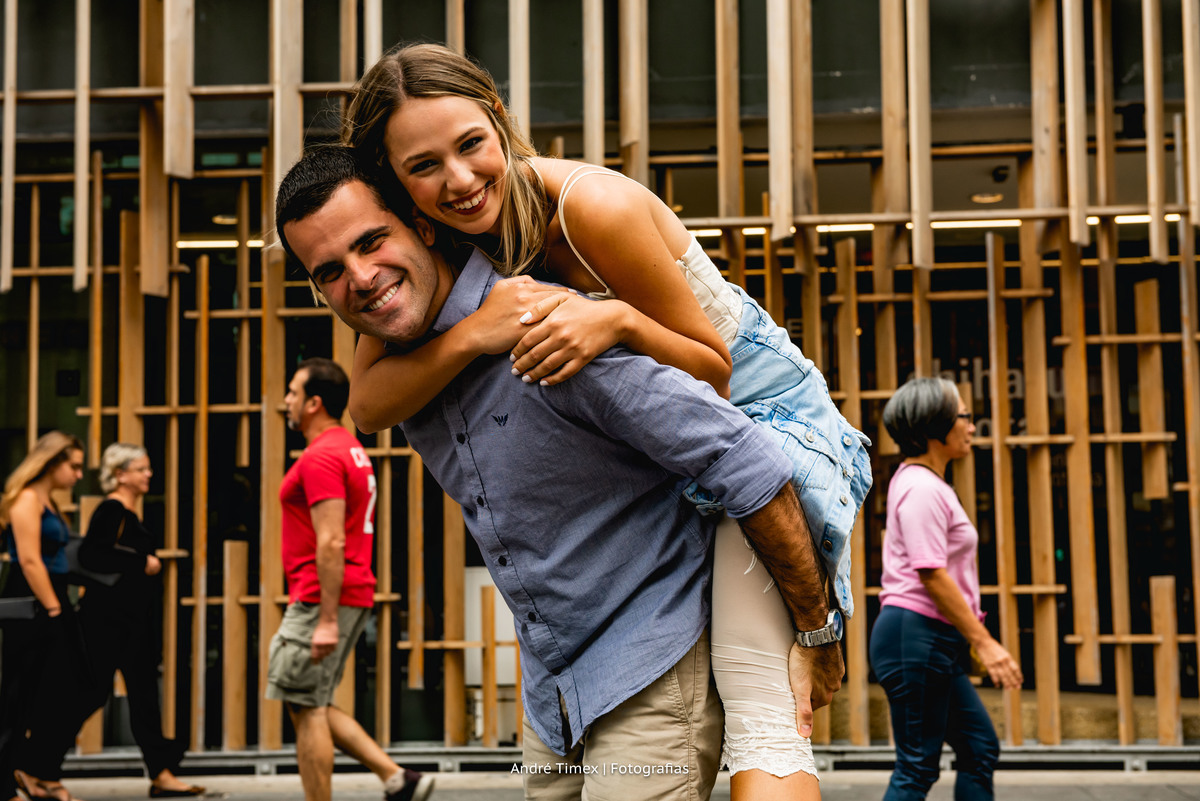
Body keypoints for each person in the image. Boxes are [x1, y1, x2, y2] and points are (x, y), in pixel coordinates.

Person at [341, 43, 872, 797]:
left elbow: (713, 373)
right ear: (395, 182)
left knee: (762, 705)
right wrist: (476, 333)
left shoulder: (590, 208)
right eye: (424, 166)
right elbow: (369, 401)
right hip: (662, 449)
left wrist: (616, 320)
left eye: (469, 145)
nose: (457, 180)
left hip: (761, 411)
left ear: (498, 120)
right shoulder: (430, 240)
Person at [264, 358, 433, 801]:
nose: (287, 401)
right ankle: (397, 779)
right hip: (346, 591)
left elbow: (331, 540)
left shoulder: (322, 456)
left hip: (323, 596)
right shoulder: (350, 449)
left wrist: (324, 618)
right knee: (308, 699)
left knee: (306, 707)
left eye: (293, 392)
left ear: (314, 403)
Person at [16, 444, 204, 798]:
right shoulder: (111, 509)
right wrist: (142, 561)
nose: (149, 474)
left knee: (143, 696)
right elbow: (93, 554)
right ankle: (35, 765)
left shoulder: (128, 510)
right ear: (121, 474)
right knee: (88, 695)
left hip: (131, 620)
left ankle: (160, 773)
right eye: (141, 469)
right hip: (107, 621)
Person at [871, 378, 1023, 801]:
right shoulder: (920, 488)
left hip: (930, 639)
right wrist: (986, 644)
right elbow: (932, 573)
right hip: (914, 636)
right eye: (965, 416)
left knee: (978, 747)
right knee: (917, 766)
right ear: (936, 424)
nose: (973, 426)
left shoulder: (929, 485)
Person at [0, 432, 85, 801]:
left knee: (50, 691)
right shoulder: (26, 499)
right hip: (32, 603)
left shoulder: (48, 501)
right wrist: (53, 607)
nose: (79, 475)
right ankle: (6, 784)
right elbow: (30, 559)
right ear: (52, 463)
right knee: (17, 695)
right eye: (74, 466)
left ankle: (29, 771)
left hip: (50, 600)